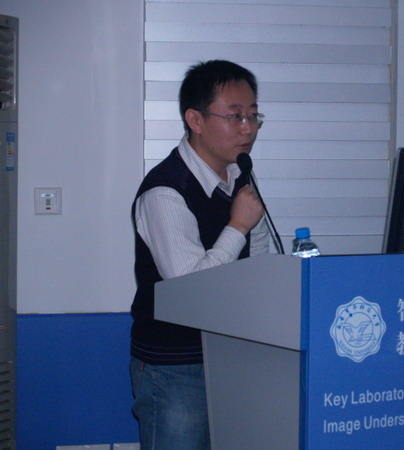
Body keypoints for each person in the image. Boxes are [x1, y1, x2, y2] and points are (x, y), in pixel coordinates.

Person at [129, 60, 270, 449]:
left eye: (254, 116)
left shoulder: (240, 176)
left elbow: (259, 261)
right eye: (235, 116)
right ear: (195, 120)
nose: (248, 128)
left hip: (234, 356)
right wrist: (237, 226)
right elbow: (192, 291)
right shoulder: (165, 192)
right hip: (176, 368)